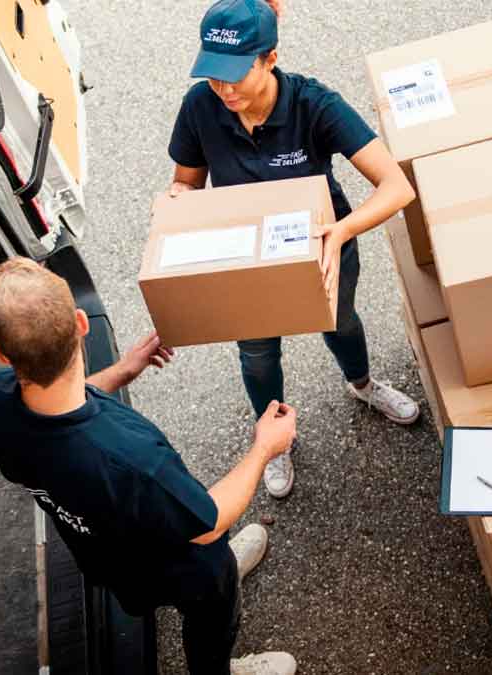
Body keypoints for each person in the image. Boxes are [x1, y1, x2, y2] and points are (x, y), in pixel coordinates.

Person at [0, 258, 299, 675]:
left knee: (181, 574)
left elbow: (52, 401)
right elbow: (209, 523)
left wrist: (123, 371)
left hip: (106, 555)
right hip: (181, 561)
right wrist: (264, 449)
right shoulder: (130, 457)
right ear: (81, 324)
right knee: (212, 604)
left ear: (1, 354)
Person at [168, 0, 420, 499]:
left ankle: (363, 384)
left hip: (324, 246)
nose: (224, 89)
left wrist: (342, 232)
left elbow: (396, 186)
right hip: (248, 260)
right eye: (214, 75)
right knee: (258, 355)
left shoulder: (314, 105)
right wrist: (181, 203)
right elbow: (186, 183)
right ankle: (274, 441)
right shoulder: (201, 106)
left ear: (271, 58)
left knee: (341, 321)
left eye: (237, 74)